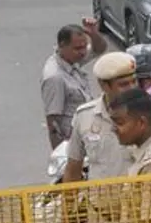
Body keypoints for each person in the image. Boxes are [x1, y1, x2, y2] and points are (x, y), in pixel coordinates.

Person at [61, 51, 138, 184]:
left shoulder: (149, 114)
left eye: (134, 82)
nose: (132, 88)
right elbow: (73, 168)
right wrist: (67, 203)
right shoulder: (84, 116)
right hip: (100, 202)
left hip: (137, 202)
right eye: (124, 84)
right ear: (104, 85)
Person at [40, 19, 109, 150]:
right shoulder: (55, 77)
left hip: (89, 135)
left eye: (84, 46)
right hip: (73, 143)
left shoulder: (72, 59)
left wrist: (93, 33)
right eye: (77, 48)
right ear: (62, 45)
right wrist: (60, 155)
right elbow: (53, 122)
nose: (83, 52)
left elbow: (100, 49)